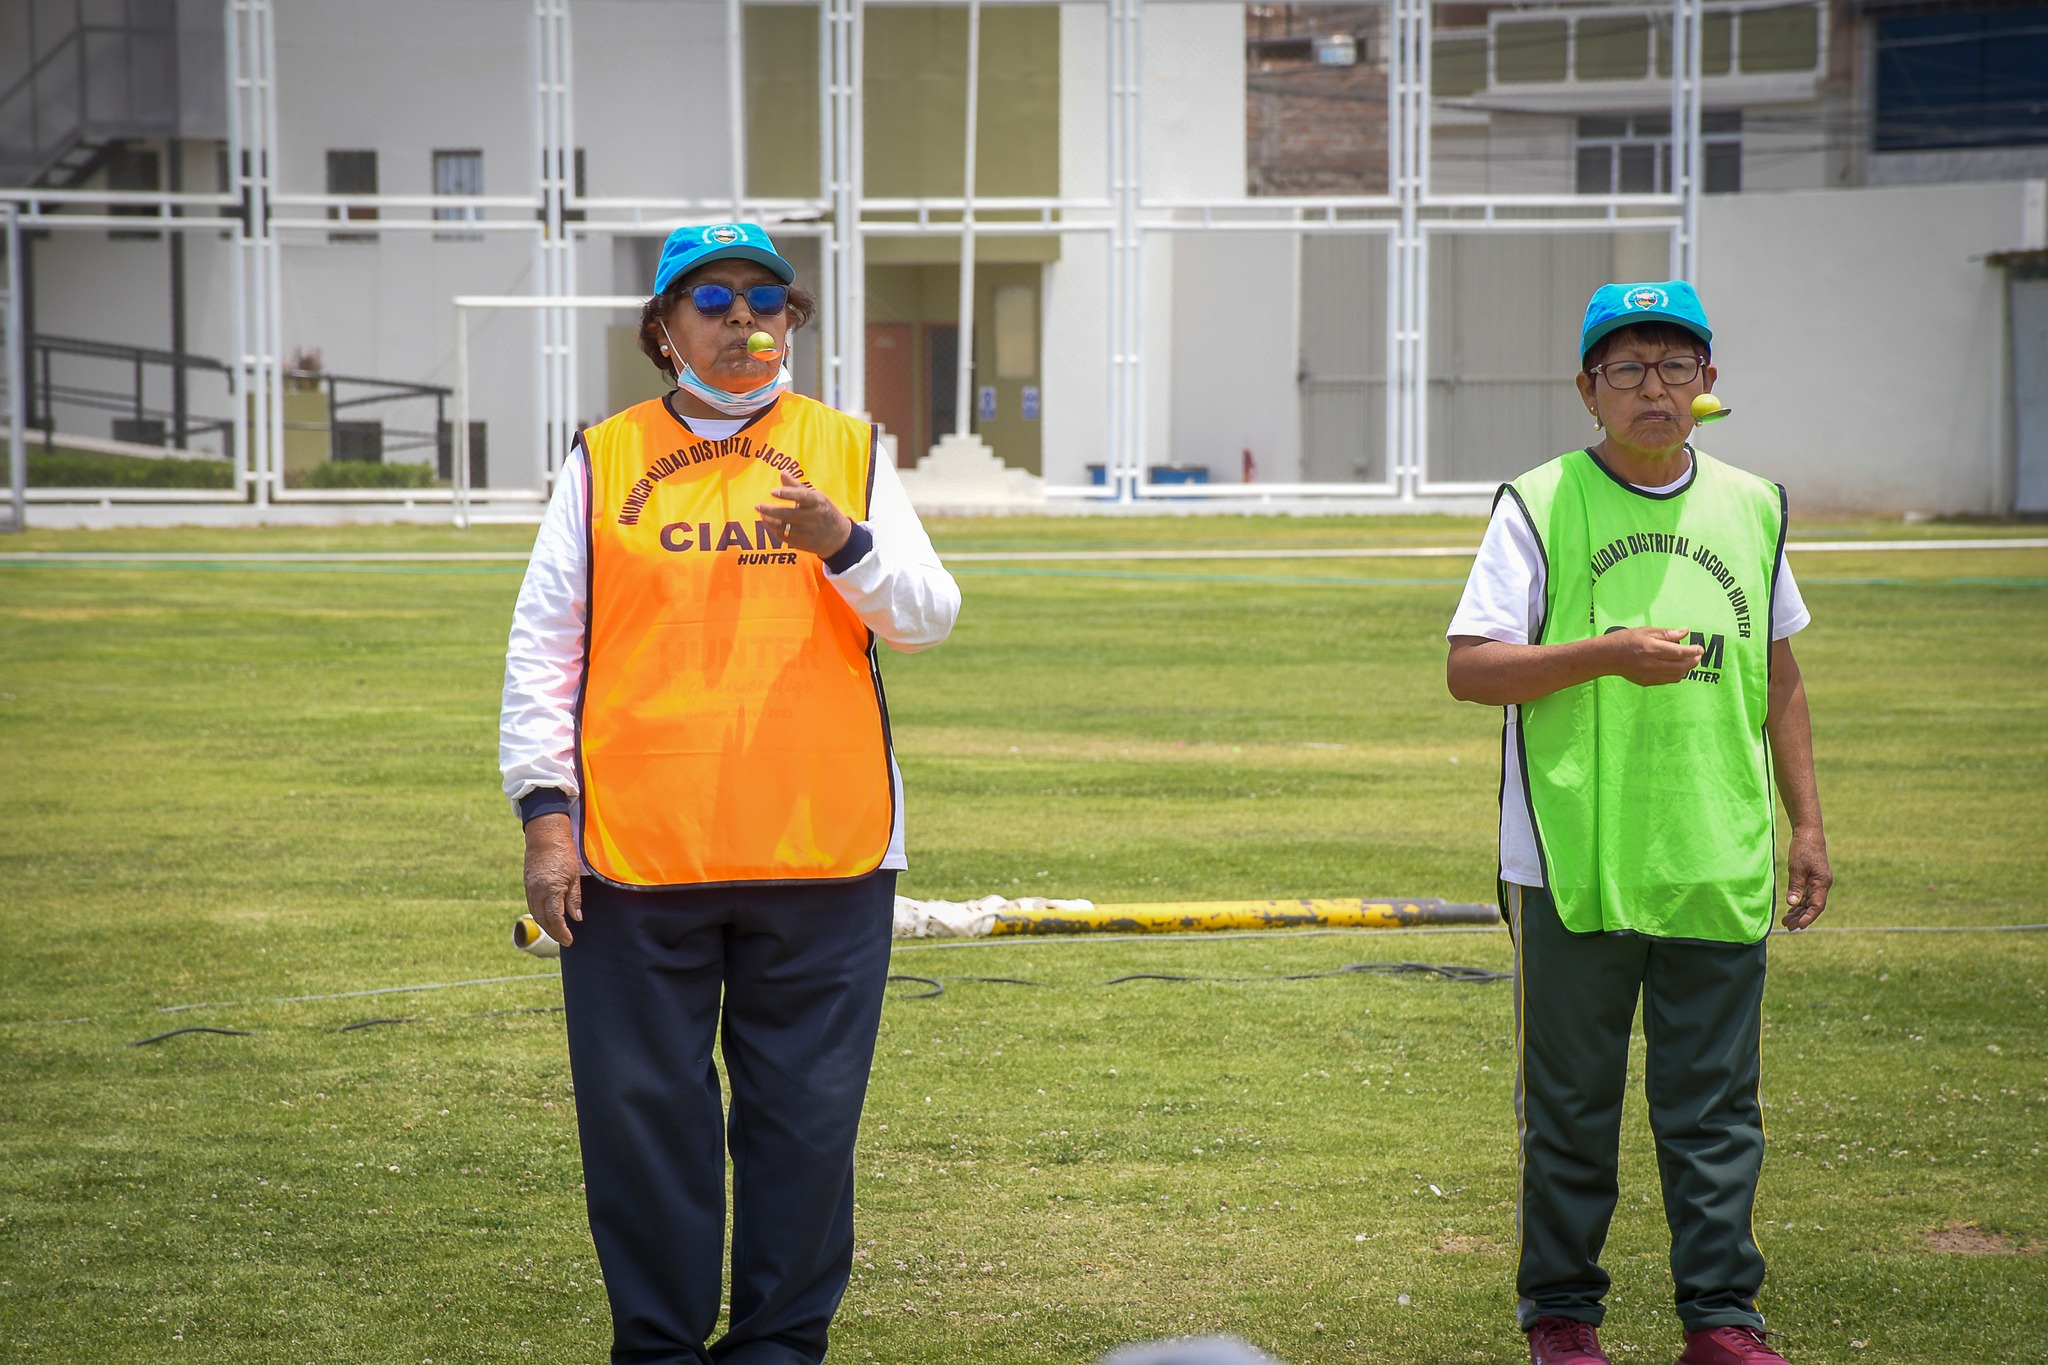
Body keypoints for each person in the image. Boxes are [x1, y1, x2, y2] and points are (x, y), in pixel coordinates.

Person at [500, 221, 960, 1364]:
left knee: (802, 1130)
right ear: (664, 331)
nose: (743, 318)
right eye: (711, 299)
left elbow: (928, 618)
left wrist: (841, 541)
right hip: (635, 861)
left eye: (766, 298)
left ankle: (775, 1349)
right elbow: (543, 650)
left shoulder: (846, 449)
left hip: (824, 853)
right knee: (643, 1129)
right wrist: (545, 820)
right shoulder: (603, 456)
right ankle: (655, 1349)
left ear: (791, 321)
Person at [1444, 280, 1832, 1365]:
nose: (1651, 386)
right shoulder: (1538, 502)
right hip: (1571, 861)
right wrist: (1603, 653)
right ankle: (1561, 1317)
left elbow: (1779, 677)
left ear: (1706, 382)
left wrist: (1804, 827)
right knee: (1569, 1111)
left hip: (1713, 854)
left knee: (1713, 1116)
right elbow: (1470, 671)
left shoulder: (1753, 506)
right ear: (1586, 389)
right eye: (1625, 368)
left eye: (1672, 364)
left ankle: (1721, 1322)